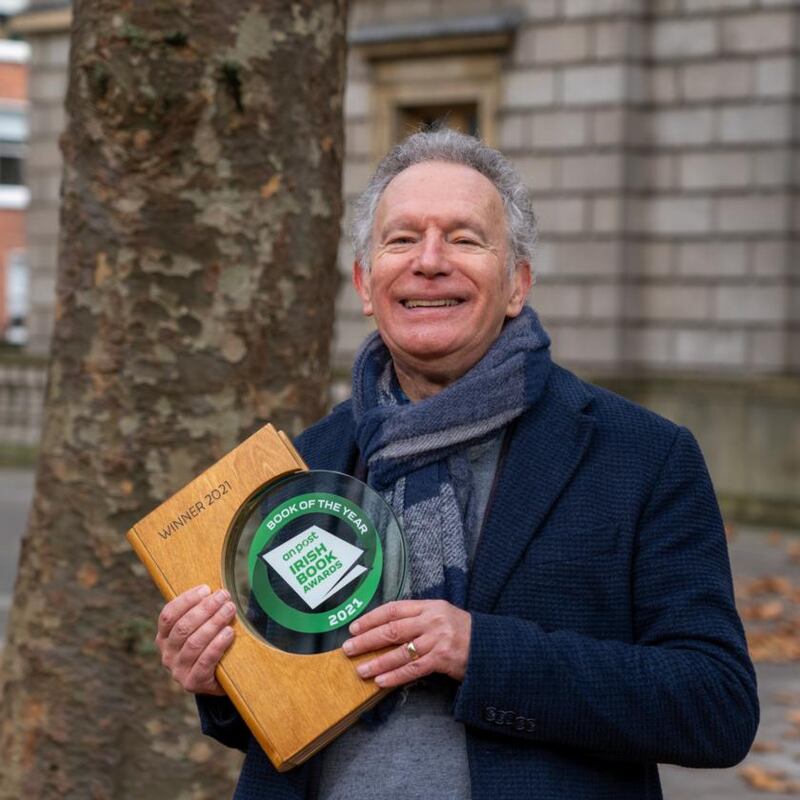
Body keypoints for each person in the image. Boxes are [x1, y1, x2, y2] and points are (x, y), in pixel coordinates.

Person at [155, 129, 758, 799]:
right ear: (365, 281)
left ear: (516, 284)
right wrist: (219, 679)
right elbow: (283, 711)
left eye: (465, 239)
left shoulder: (640, 455)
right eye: (402, 239)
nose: (430, 262)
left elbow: (716, 706)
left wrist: (480, 651)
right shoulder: (309, 460)